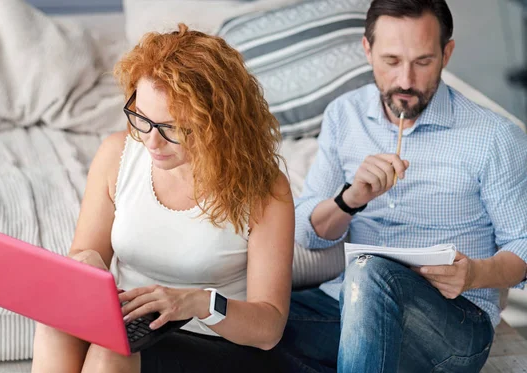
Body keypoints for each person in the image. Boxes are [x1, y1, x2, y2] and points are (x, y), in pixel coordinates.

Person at [277, 0, 527, 372]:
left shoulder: (495, 136)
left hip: (454, 321)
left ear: (447, 53)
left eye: (423, 62)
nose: (406, 81)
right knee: (253, 315)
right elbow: (307, 234)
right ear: (367, 50)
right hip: (348, 305)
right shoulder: (344, 115)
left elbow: (522, 247)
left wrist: (474, 274)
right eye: (391, 61)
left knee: (368, 269)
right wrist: (350, 199)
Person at [31, 24, 295, 373]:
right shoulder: (116, 155)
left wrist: (196, 302)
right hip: (132, 326)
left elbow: (268, 328)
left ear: (218, 123)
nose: (151, 142)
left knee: (110, 353)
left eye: (171, 128)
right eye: (142, 118)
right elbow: (85, 253)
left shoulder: (264, 188)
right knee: (56, 327)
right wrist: (86, 263)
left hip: (216, 341)